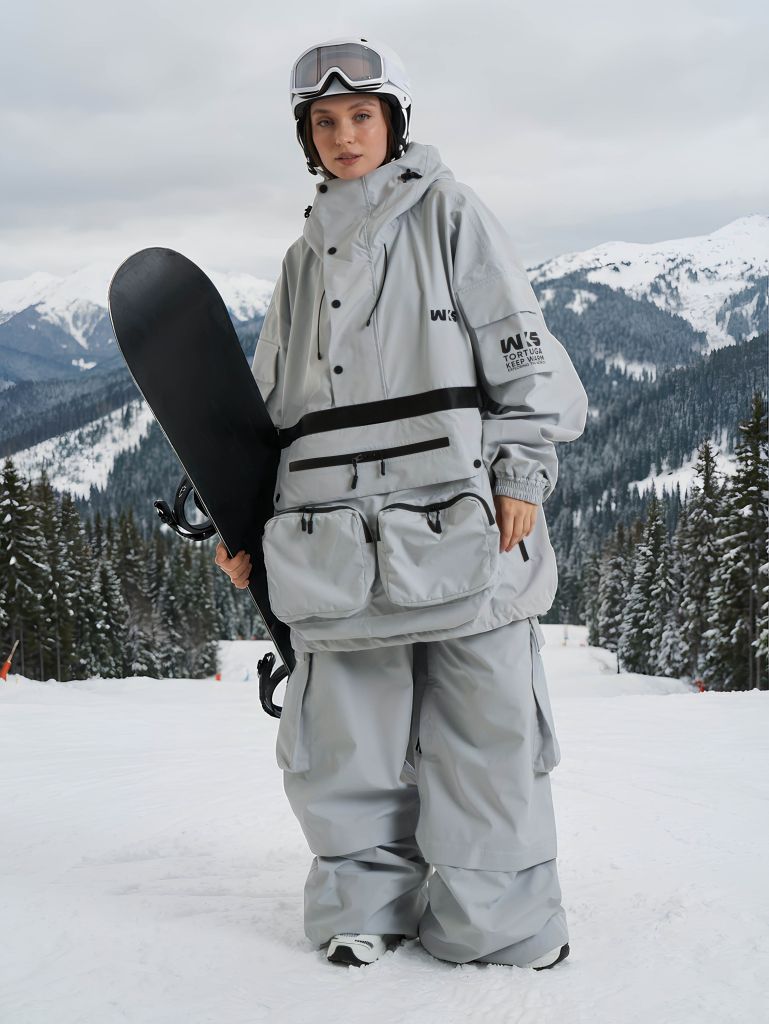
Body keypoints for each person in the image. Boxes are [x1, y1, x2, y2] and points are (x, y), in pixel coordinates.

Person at [215, 36, 588, 970]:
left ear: (394, 121)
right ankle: (363, 907)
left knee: (484, 732)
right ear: (307, 137)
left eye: (361, 116)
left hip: (461, 527)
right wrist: (242, 524)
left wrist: (521, 471)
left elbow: (522, 355)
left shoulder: (449, 214)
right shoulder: (302, 259)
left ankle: (497, 924)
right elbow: (275, 411)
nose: (344, 136)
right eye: (324, 122)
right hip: (333, 543)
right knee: (346, 739)